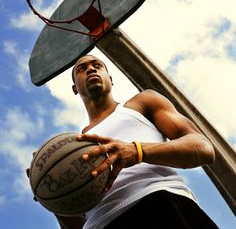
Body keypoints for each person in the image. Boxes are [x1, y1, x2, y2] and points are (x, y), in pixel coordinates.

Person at [53, 54, 218, 228]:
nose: (91, 69)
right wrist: (53, 194)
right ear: (75, 88)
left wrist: (137, 151)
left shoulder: (141, 103)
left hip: (159, 202)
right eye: (82, 68)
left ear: (110, 79)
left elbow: (203, 148)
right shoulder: (73, 147)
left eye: (97, 65)